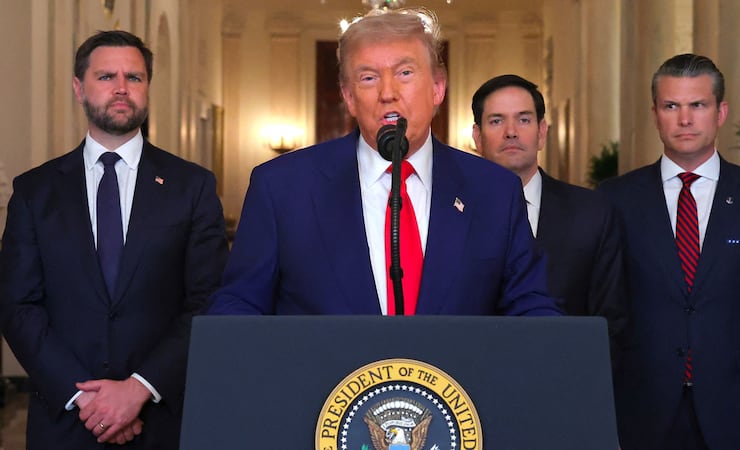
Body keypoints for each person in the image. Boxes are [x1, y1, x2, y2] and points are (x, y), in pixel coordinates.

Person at [207, 9, 560, 317]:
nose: (388, 92)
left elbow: (530, 307)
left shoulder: (494, 191)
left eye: (405, 73)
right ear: (348, 97)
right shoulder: (282, 187)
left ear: (438, 87)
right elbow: (239, 306)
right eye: (368, 77)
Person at [0, 30, 229, 449]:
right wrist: (86, 400)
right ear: (78, 87)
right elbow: (18, 306)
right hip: (64, 419)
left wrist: (139, 388)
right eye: (106, 77)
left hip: (162, 420)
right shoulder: (35, 191)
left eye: (134, 78)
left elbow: (208, 300)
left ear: (147, 88)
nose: (121, 88)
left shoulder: (190, 187)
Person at [598, 53, 740, 449]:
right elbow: (602, 311)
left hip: (737, 407)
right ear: (655, 114)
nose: (684, 119)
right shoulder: (615, 200)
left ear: (720, 112)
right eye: (671, 106)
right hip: (639, 408)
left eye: (698, 105)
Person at [471, 74, 627, 365]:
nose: (511, 132)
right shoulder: (453, 214)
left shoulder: (592, 213)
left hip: (568, 384)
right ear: (477, 137)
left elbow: (611, 321)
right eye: (496, 121)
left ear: (542, 133)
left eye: (524, 120)